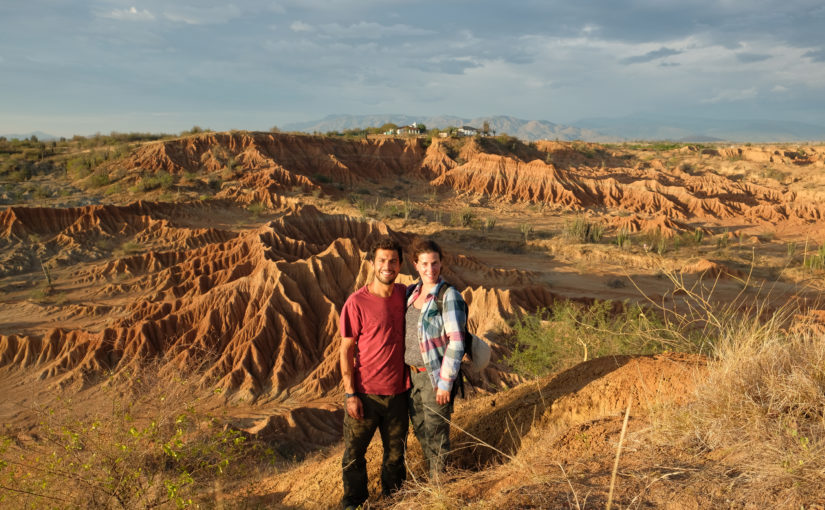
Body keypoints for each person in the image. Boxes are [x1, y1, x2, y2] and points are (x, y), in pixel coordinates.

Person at [338, 236, 409, 510]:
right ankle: (354, 504)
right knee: (354, 456)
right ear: (372, 263)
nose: (387, 266)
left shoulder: (406, 295)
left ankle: (394, 502)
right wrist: (350, 393)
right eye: (382, 260)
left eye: (393, 261)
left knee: (395, 456)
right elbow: (345, 350)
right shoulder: (356, 303)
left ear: (400, 264)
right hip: (365, 395)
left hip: (399, 395)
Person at [405, 239, 466, 479]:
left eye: (435, 263)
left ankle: (438, 489)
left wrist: (445, 382)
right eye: (425, 264)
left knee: (437, 434)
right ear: (416, 265)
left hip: (434, 378)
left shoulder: (448, 296)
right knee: (421, 431)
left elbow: (457, 342)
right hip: (412, 376)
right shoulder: (413, 293)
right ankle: (434, 479)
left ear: (441, 263)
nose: (430, 269)